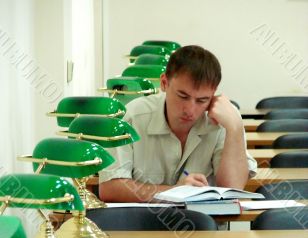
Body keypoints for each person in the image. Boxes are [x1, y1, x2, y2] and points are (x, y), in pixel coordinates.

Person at [99, 45, 257, 202]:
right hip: (142, 223)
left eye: (202, 100)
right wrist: (175, 192)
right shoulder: (132, 117)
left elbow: (233, 187)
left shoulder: (226, 120)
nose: (190, 110)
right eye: (182, 96)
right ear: (164, 83)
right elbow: (110, 188)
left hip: (204, 224)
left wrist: (235, 127)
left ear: (213, 94)